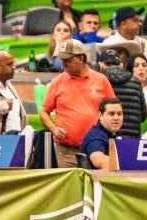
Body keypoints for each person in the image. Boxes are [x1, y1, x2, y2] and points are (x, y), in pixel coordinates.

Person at [39, 39, 115, 167]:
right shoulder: (57, 82)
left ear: (81, 58)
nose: (63, 63)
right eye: (62, 59)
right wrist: (53, 129)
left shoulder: (101, 80)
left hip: (97, 149)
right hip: (66, 151)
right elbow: (43, 112)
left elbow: (113, 109)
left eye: (68, 59)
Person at [97, 49, 146, 139]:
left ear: (101, 65)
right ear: (121, 64)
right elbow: (143, 116)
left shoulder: (97, 81)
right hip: (132, 139)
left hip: (106, 138)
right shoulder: (135, 82)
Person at [79, 98, 123, 170]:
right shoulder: (94, 136)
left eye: (119, 114)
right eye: (111, 114)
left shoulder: (115, 134)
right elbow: (100, 161)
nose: (116, 117)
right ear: (100, 115)